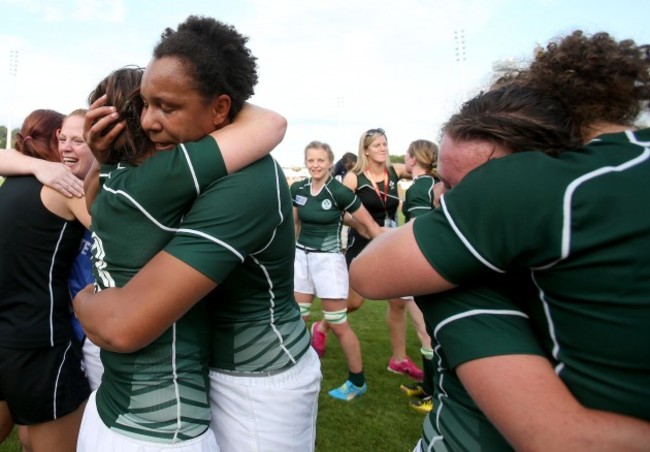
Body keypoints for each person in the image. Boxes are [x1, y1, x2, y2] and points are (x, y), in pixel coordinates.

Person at [350, 31, 650, 450]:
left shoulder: (543, 206)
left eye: (462, 189)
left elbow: (563, 438)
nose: (442, 198)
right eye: (442, 183)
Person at [73, 16, 320, 452]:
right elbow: (109, 211)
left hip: (254, 379)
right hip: (202, 365)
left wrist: (84, 300)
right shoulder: (187, 163)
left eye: (166, 107)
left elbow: (124, 322)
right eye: (144, 104)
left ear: (222, 109)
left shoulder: (248, 180)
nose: (147, 121)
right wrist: (102, 161)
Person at [0, 109, 93, 452]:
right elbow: (122, 240)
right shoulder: (68, 189)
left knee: (28, 436)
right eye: (63, 139)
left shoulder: (15, 181)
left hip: (9, 334)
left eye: (77, 140)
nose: (68, 148)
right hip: (39, 343)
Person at [313, 127, 426, 379]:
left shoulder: (395, 171)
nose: (383, 149)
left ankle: (398, 359)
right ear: (365, 149)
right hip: (362, 245)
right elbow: (339, 211)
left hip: (391, 244)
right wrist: (361, 226)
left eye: (385, 144)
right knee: (353, 302)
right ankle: (321, 327)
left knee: (398, 303)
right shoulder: (354, 178)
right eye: (377, 145)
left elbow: (422, 166)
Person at [291, 140, 381, 401]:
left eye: (320, 160)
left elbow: (370, 227)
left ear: (330, 162)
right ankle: (295, 371)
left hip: (328, 262)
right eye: (311, 160)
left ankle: (357, 381)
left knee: (339, 324)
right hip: (301, 258)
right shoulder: (298, 188)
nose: (315, 165)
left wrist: (384, 248)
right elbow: (294, 224)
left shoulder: (340, 193)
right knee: (299, 318)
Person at [398, 139, 438, 414]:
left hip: (420, 267)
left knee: (426, 333)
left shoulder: (420, 188)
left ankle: (435, 394)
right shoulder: (432, 184)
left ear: (412, 158)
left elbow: (418, 231)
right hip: (429, 266)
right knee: (424, 330)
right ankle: (427, 385)